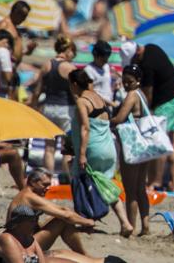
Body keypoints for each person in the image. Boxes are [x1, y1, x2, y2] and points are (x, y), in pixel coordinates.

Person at [68, 69, 134, 237]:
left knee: (80, 181)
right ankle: (125, 223)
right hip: (108, 148)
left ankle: (87, 223)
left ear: (75, 84)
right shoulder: (98, 97)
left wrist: (81, 154)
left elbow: (85, 127)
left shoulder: (82, 101)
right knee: (105, 184)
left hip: (93, 149)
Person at [120, 41, 174, 192]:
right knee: (172, 143)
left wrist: (146, 110)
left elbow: (148, 94)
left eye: (133, 60)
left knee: (158, 142)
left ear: (138, 53)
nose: (133, 64)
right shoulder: (153, 47)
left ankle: (155, 182)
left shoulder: (146, 64)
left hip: (167, 103)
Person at [7, 168, 94, 255]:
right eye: (45, 185)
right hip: (20, 245)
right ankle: (84, 255)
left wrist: (82, 219)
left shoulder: (27, 194)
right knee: (62, 221)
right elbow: (66, 216)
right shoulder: (29, 197)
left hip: (23, 239)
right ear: (33, 183)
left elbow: (63, 210)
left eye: (49, 185)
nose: (48, 188)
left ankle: (83, 254)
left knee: (59, 218)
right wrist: (88, 222)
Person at [110, 64, 150, 236]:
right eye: (124, 81)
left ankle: (131, 227)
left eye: (130, 81)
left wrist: (105, 119)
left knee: (130, 190)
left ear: (138, 81)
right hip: (145, 146)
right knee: (141, 188)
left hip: (133, 147)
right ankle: (146, 226)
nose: (126, 84)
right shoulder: (142, 96)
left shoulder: (132, 96)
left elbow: (119, 119)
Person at [30, 36, 77, 173]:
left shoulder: (46, 65)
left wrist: (33, 108)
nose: (73, 56)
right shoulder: (70, 68)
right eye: (73, 52)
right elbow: (76, 93)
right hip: (66, 110)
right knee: (67, 148)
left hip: (48, 108)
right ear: (68, 50)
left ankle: (48, 180)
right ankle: (69, 182)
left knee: (49, 148)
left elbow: (37, 91)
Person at [0, 0, 31, 64]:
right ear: (15, 12)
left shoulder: (15, 27)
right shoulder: (4, 25)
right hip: (4, 67)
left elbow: (14, 50)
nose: (24, 19)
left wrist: (28, 51)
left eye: (26, 16)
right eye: (23, 15)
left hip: (12, 67)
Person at [83, 40, 114, 106]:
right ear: (95, 56)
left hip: (109, 104)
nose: (106, 61)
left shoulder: (106, 67)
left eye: (107, 59)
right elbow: (90, 92)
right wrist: (111, 104)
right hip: (98, 106)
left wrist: (114, 88)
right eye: (103, 59)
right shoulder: (88, 70)